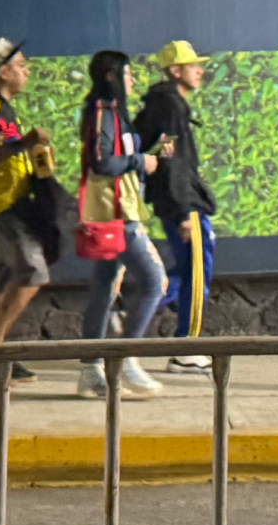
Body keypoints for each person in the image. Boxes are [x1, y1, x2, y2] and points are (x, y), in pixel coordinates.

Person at [78, 49, 171, 399]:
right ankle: (125, 359)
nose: (132, 81)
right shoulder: (105, 113)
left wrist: (148, 154)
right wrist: (139, 160)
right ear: (112, 77)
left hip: (115, 212)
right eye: (128, 74)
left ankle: (91, 371)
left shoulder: (113, 113)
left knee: (104, 288)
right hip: (117, 214)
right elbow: (102, 162)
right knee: (153, 280)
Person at [0, 38, 56, 386]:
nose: (26, 70)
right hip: (0, 211)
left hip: (2, 208)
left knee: (1, 283)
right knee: (34, 274)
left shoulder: (2, 109)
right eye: (21, 65)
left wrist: (34, 159)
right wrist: (24, 143)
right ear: (4, 72)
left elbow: (4, 153)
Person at [134, 40, 217, 372]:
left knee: (185, 272)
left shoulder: (161, 104)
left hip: (174, 201)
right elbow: (176, 162)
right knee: (198, 271)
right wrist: (185, 211)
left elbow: (162, 153)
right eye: (193, 65)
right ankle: (188, 349)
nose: (200, 70)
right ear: (175, 71)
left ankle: (138, 310)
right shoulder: (172, 106)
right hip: (184, 205)